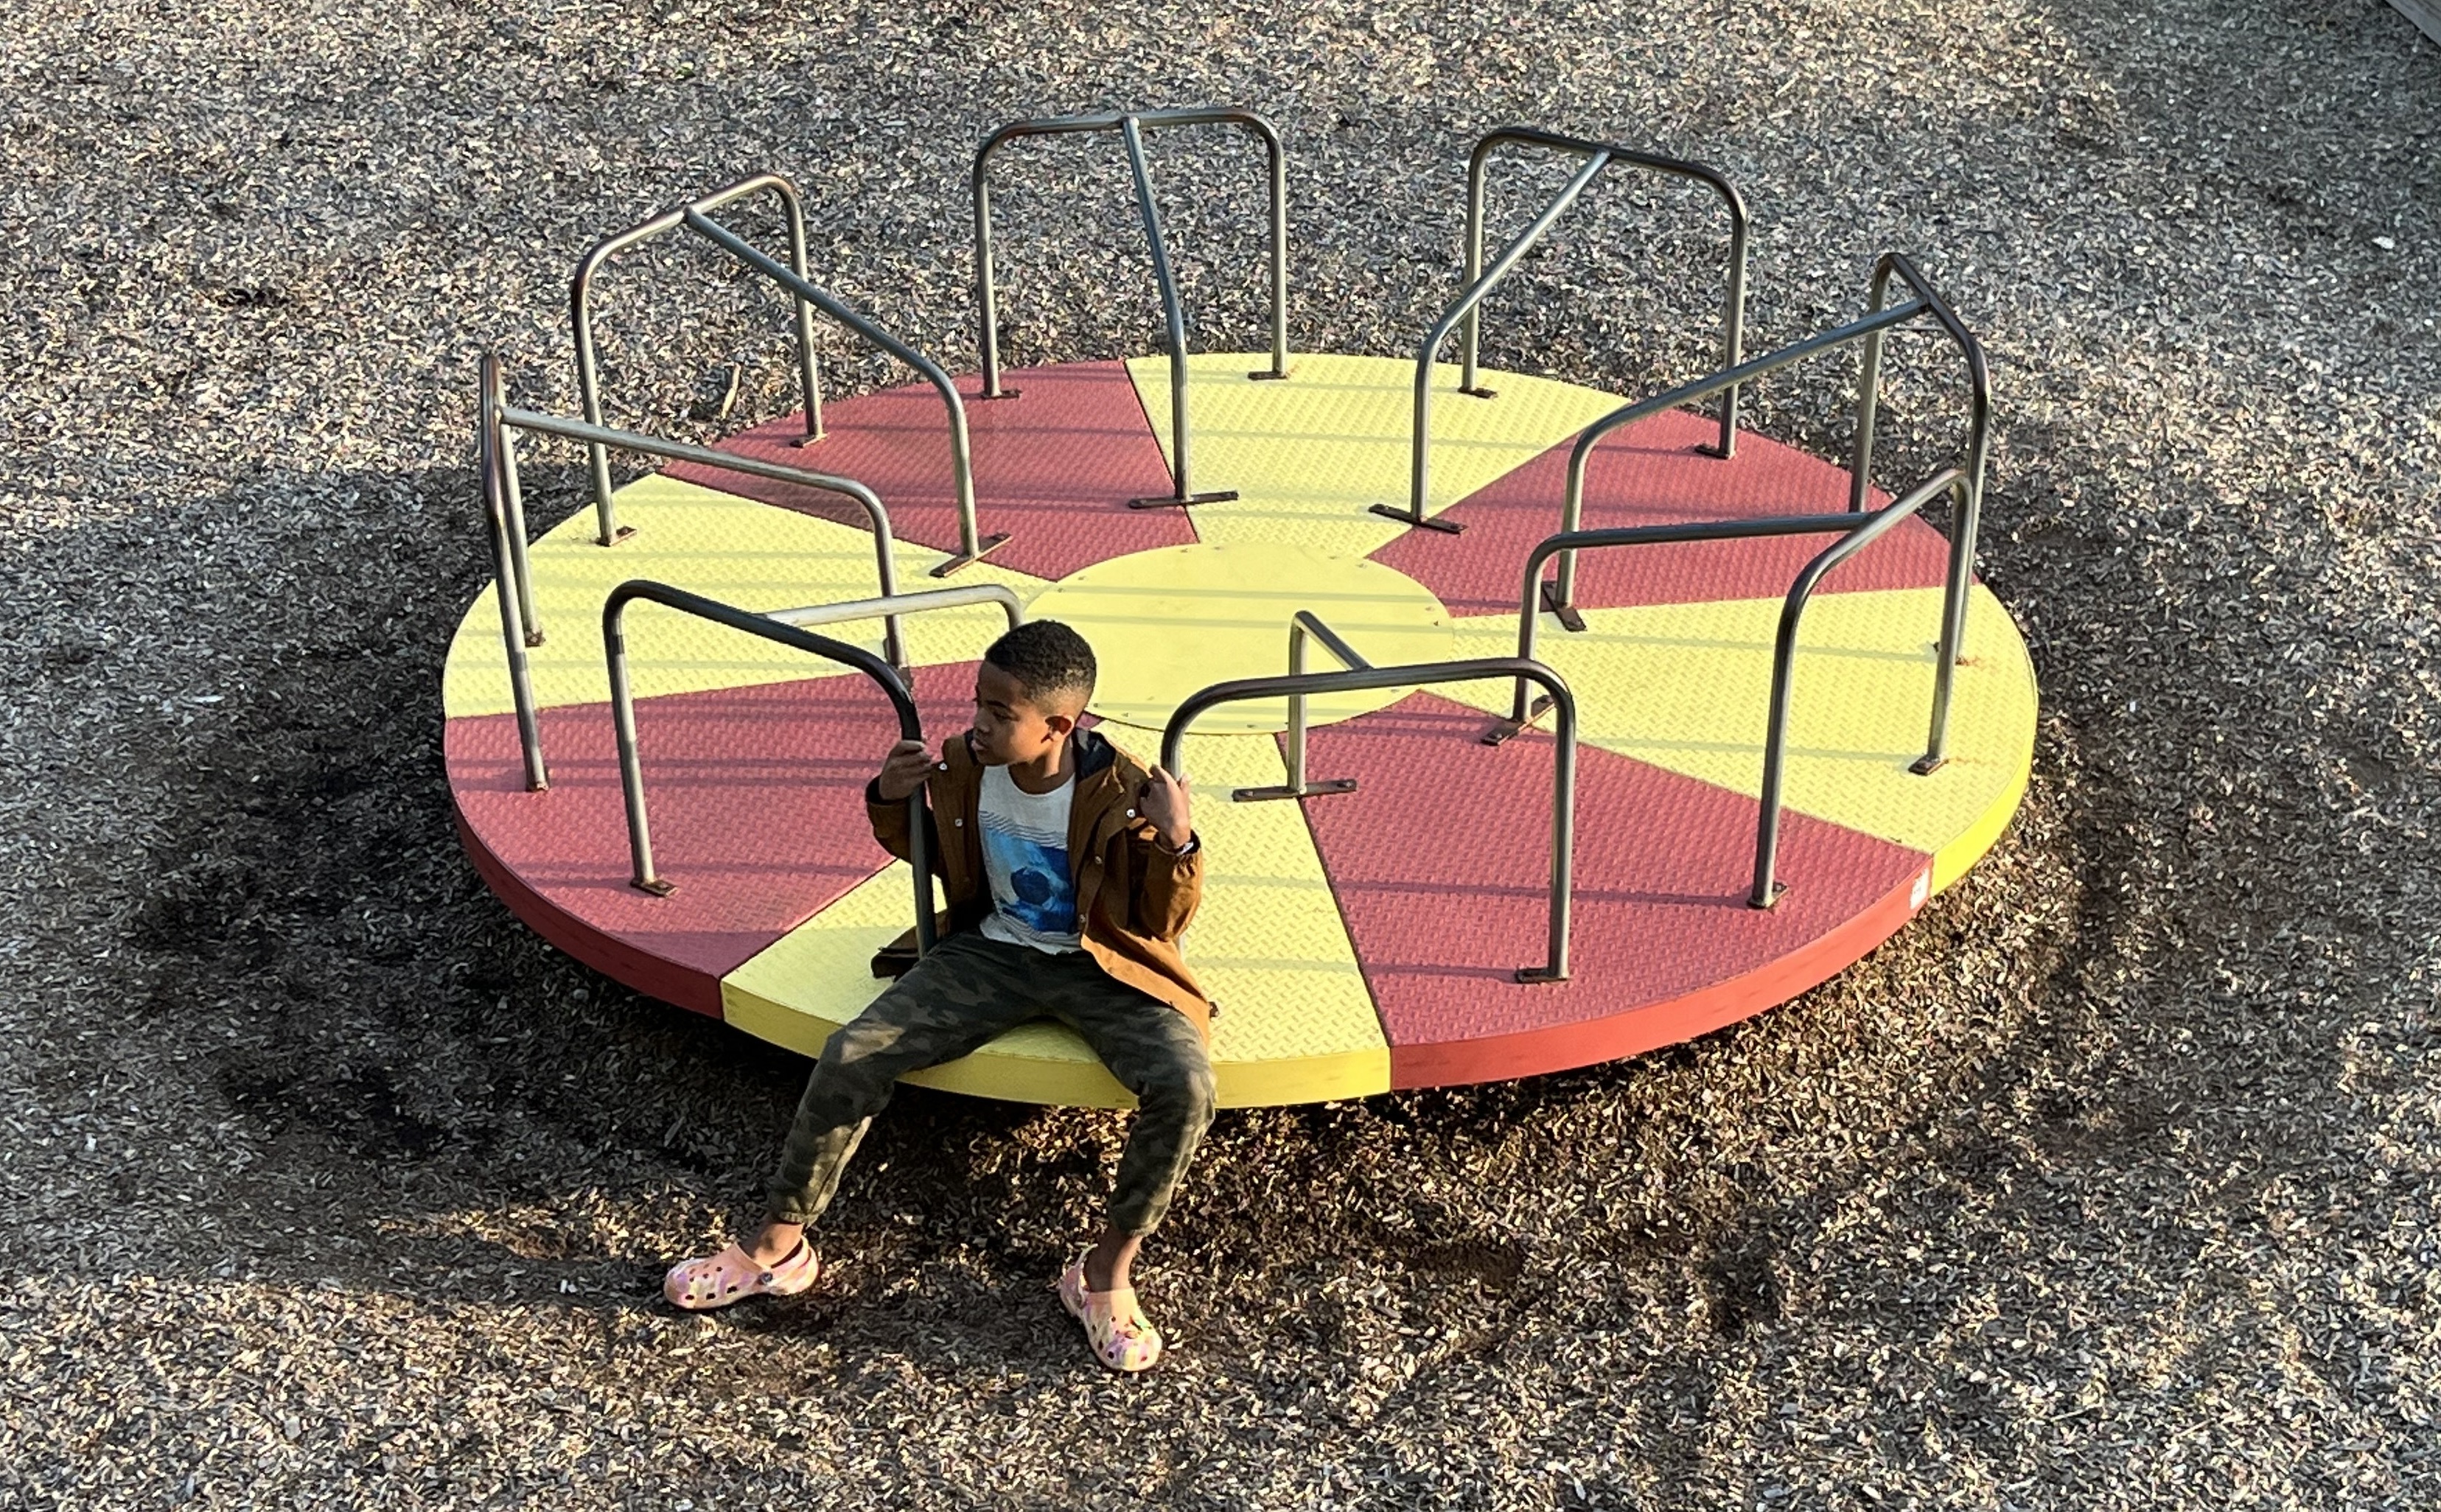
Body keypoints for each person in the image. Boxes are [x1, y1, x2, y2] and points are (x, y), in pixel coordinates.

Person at [660, 620, 1216, 1372]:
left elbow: (1160, 922)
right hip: (989, 953)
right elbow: (926, 849)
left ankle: (1104, 1274)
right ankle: (777, 1248)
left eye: (999, 713)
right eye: (978, 703)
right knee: (853, 1051)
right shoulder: (962, 765)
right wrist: (890, 799)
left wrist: (1179, 844)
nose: (977, 724)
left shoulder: (1122, 789)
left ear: (1057, 725)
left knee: (1184, 1084)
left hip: (1104, 965)